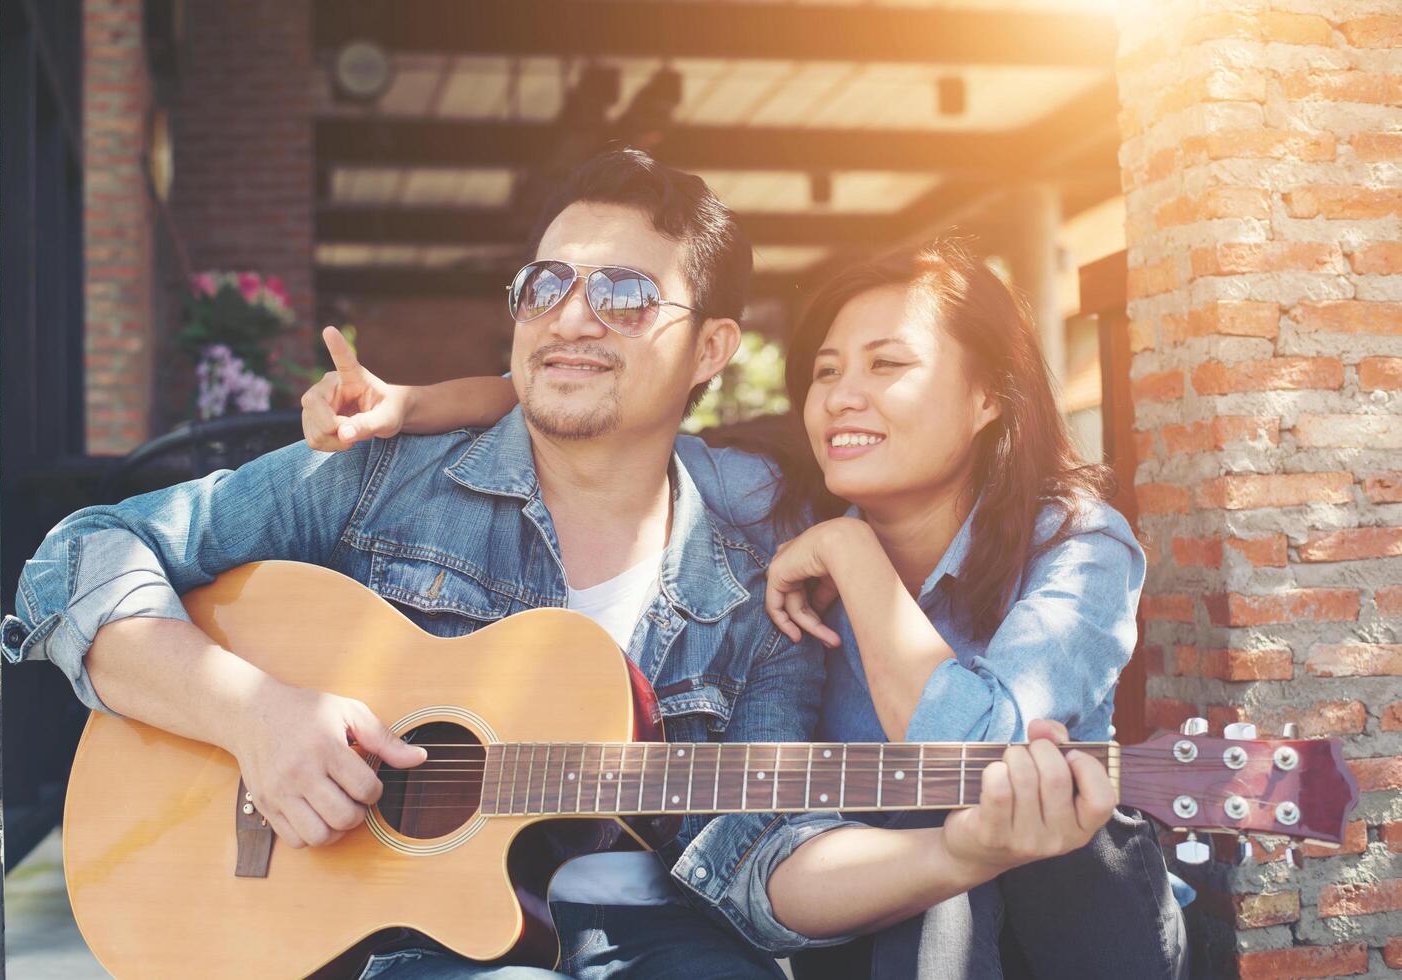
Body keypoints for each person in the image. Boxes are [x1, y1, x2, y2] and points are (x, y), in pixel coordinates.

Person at [4, 150, 1114, 980]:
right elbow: (76, 558)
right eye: (546, 285)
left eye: (625, 294)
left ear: (711, 352)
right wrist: (252, 712)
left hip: (616, 931)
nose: (571, 318)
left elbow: (753, 854)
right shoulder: (380, 475)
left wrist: (960, 849)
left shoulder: (759, 556)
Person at [299, 239, 1184, 977]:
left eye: (889, 366)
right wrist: (408, 406)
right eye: (825, 370)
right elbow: (607, 419)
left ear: (989, 396)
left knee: (972, 883)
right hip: (880, 899)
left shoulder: (1075, 542)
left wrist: (851, 553)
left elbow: (980, 751)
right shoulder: (773, 497)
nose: (841, 396)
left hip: (1065, 916)